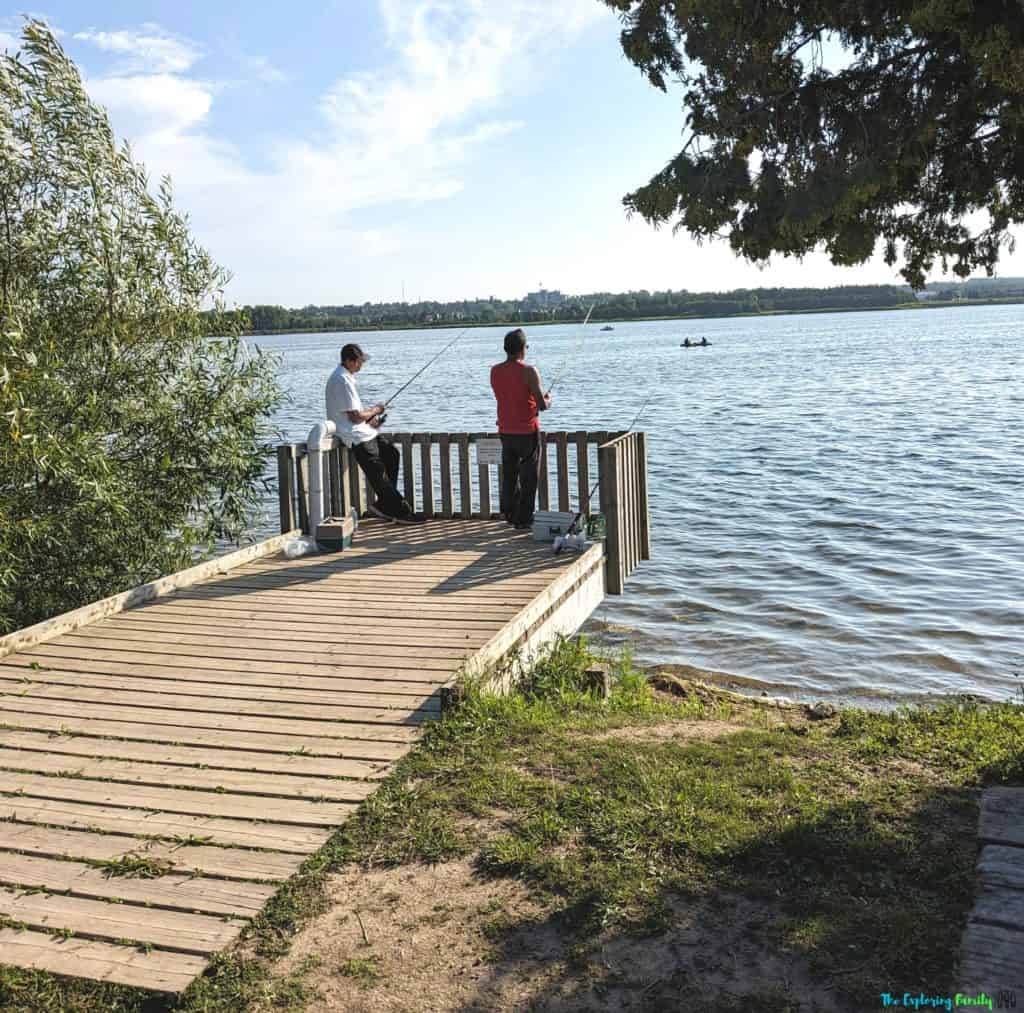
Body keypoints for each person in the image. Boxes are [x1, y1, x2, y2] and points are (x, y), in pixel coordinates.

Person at [325, 343, 422, 524]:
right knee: (379, 475)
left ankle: (385, 505)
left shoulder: (346, 377)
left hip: (364, 431)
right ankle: (402, 512)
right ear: (349, 361)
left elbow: (353, 413)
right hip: (355, 436)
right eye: (359, 361)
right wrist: (376, 410)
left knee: (391, 454)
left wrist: (370, 421)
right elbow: (354, 417)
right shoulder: (342, 380)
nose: (362, 365)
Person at [489, 328, 550, 530]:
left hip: (505, 430)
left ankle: (510, 512)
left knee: (509, 474)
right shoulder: (529, 371)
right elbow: (541, 405)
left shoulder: (495, 371)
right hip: (527, 431)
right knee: (528, 476)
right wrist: (548, 401)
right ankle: (523, 518)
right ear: (522, 349)